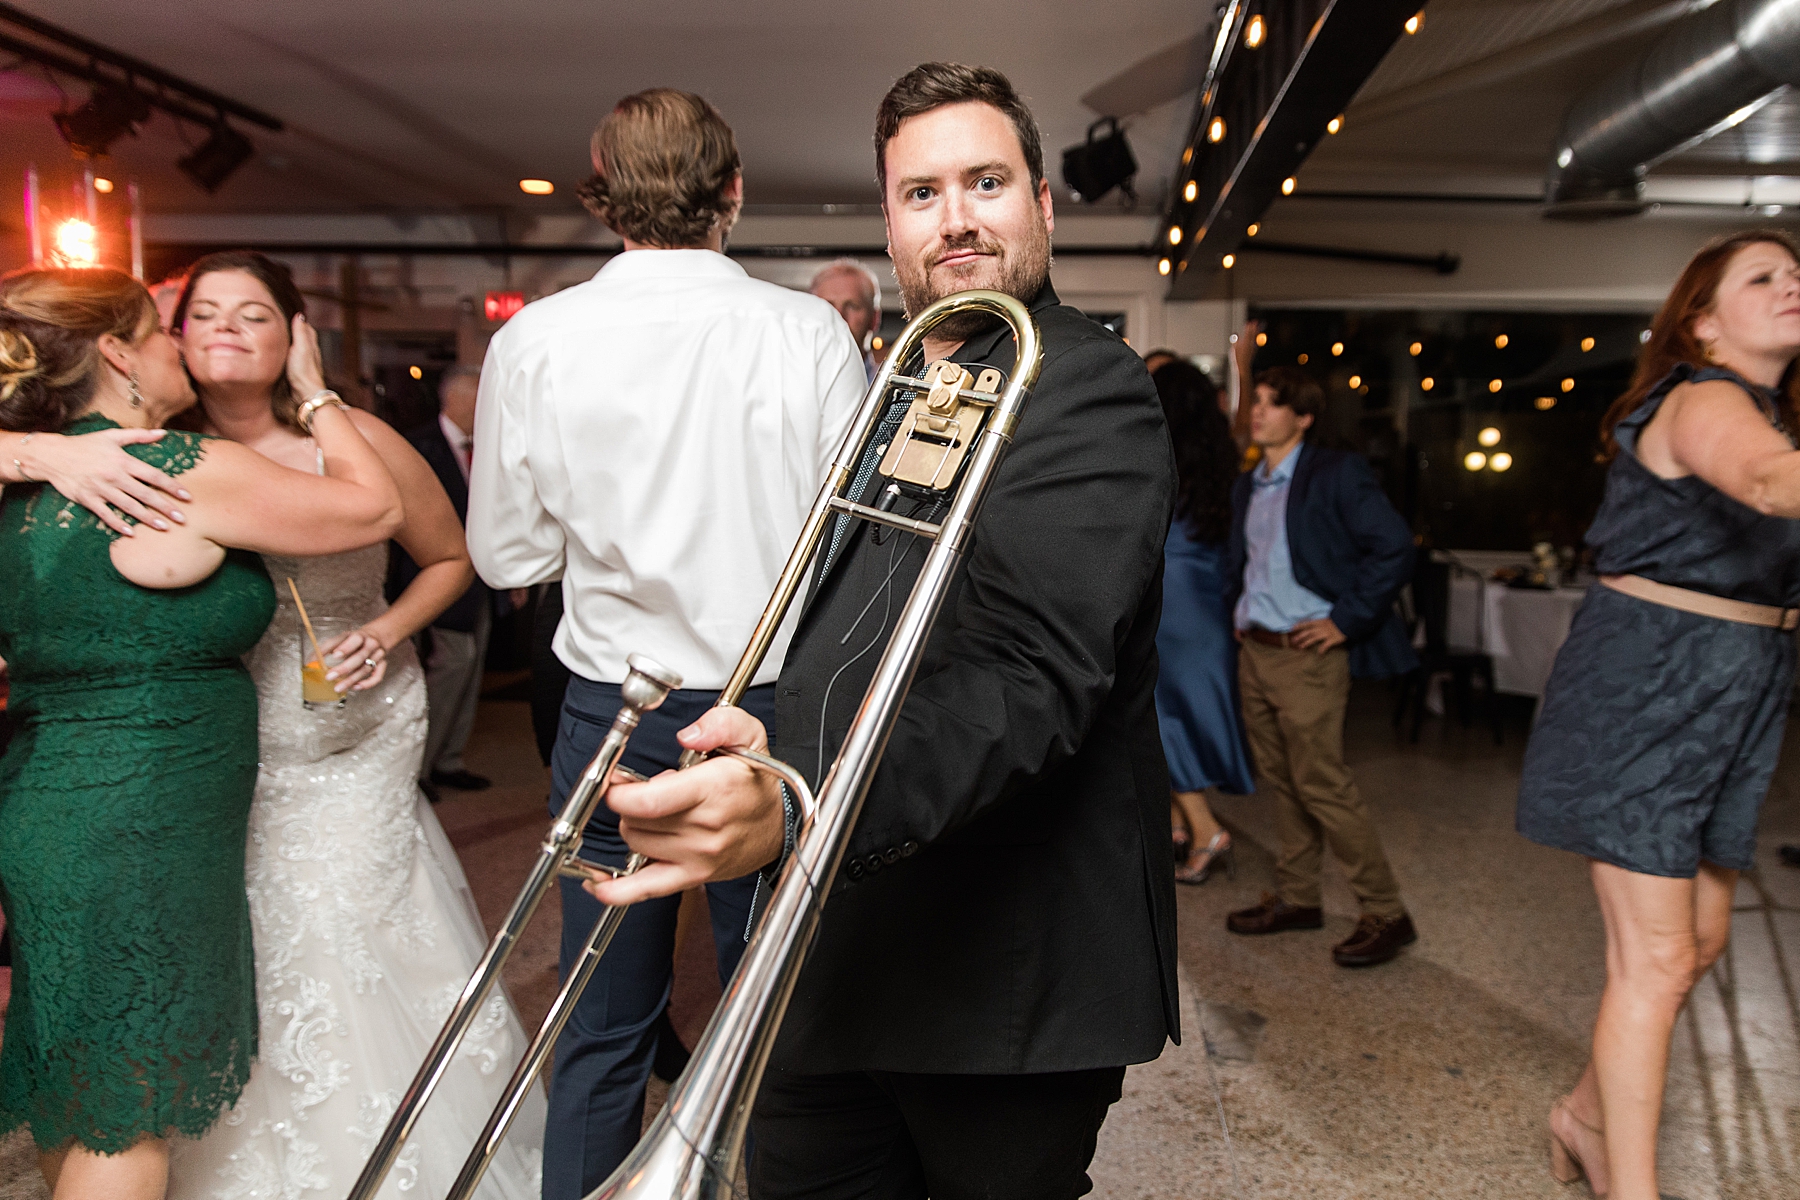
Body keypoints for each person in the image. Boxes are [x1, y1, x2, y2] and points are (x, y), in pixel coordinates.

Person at [584, 62, 1177, 1200]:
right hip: (835, 950)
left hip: (998, 976)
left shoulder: (1085, 388)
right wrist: (764, 725)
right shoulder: (907, 385)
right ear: (893, 223)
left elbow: (1022, 676)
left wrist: (796, 789)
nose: (954, 219)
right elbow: (865, 631)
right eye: (921, 193)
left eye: (986, 182)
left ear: (1043, 208)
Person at [467, 89, 863, 1199]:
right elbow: (850, 547)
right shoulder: (809, 331)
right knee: (768, 1017)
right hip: (774, 715)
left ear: (601, 198)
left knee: (601, 1025)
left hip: (616, 713)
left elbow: (506, 557)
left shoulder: (536, 339)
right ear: (733, 191)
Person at [0, 266, 403, 1200]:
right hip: (142, 820)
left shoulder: (32, 478)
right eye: (158, 331)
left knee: (82, 1078)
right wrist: (316, 390)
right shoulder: (177, 466)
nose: (178, 346)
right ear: (115, 354)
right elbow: (371, 507)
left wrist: (30, 451)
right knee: (130, 1095)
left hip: (46, 804)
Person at [159, 252, 546, 1200]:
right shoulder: (158, 449)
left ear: (296, 334)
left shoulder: (356, 435)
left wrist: (383, 629)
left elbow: (450, 560)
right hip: (229, 727)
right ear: (174, 339)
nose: (225, 328)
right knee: (243, 917)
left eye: (253, 314)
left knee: (343, 912)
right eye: (204, 313)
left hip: (358, 716)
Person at [1516, 230, 1800, 1200]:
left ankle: (1586, 1117)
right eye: (1762, 278)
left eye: (1797, 273)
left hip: (1733, 683)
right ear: (1703, 322)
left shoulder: (1765, 407)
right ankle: (1628, 1185)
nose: (1792, 284)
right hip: (1652, 683)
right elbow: (1766, 482)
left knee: (1700, 944)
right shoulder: (1703, 395)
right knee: (1662, 953)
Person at [1223, 366, 1419, 967]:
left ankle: (1387, 911)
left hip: (1308, 656)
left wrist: (1346, 619)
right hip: (1256, 649)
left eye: (1273, 403)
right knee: (1283, 783)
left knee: (1323, 785)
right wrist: (1242, 607)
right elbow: (1255, 561)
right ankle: (1299, 897)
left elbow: (1394, 546)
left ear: (1303, 417)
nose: (1258, 412)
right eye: (1255, 401)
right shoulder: (1250, 482)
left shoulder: (1333, 472)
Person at [1152, 360, 1255, 884]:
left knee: (1163, 716)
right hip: (1207, 602)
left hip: (1173, 603)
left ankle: (1205, 827)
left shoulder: (1159, 457)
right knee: (1181, 714)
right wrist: (1243, 364)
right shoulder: (1221, 461)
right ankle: (1174, 826)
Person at [394, 363, 501, 797]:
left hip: (480, 582)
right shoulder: (418, 447)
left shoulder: (487, 449)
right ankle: (418, 769)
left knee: (471, 670)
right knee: (448, 665)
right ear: (456, 399)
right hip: (435, 579)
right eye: (480, 397)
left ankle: (449, 759)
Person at [809, 258, 883, 382]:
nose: (838, 316)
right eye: (828, 306)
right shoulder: (786, 381)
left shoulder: (893, 392)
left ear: (874, 319)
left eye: (852, 306)